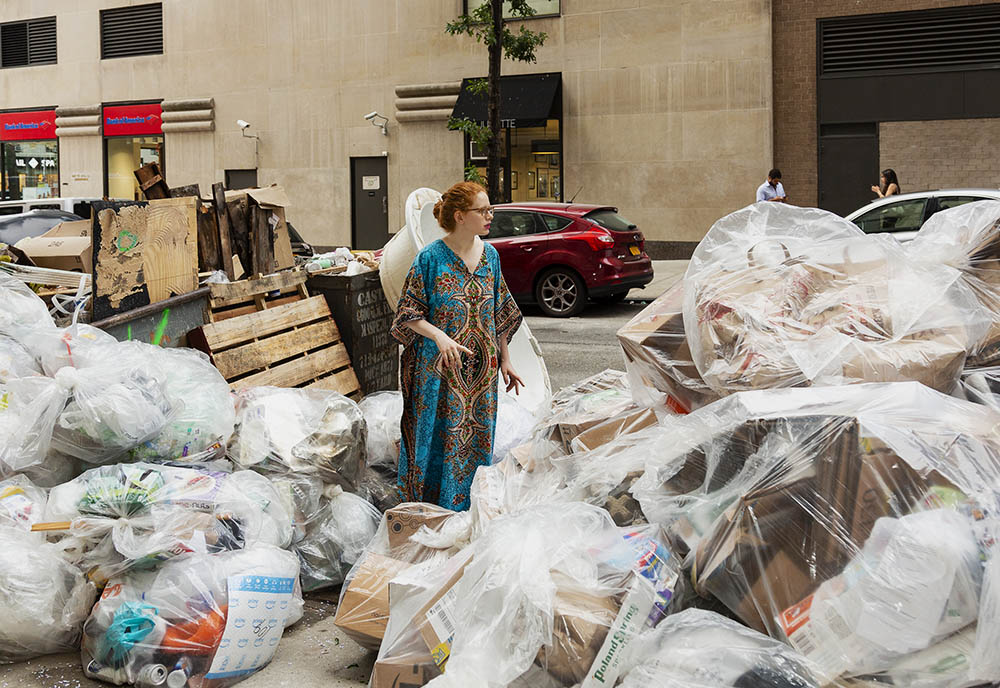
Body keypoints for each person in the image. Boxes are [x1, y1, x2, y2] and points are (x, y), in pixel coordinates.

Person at [390, 181, 525, 511]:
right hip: (438, 373)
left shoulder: (490, 256)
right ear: (460, 216)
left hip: (480, 378)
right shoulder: (430, 259)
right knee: (435, 439)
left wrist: (505, 359)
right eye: (483, 210)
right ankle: (428, 511)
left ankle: (468, 511)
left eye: (490, 209)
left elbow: (499, 312)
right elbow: (407, 314)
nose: (490, 216)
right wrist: (439, 336)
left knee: (476, 441)